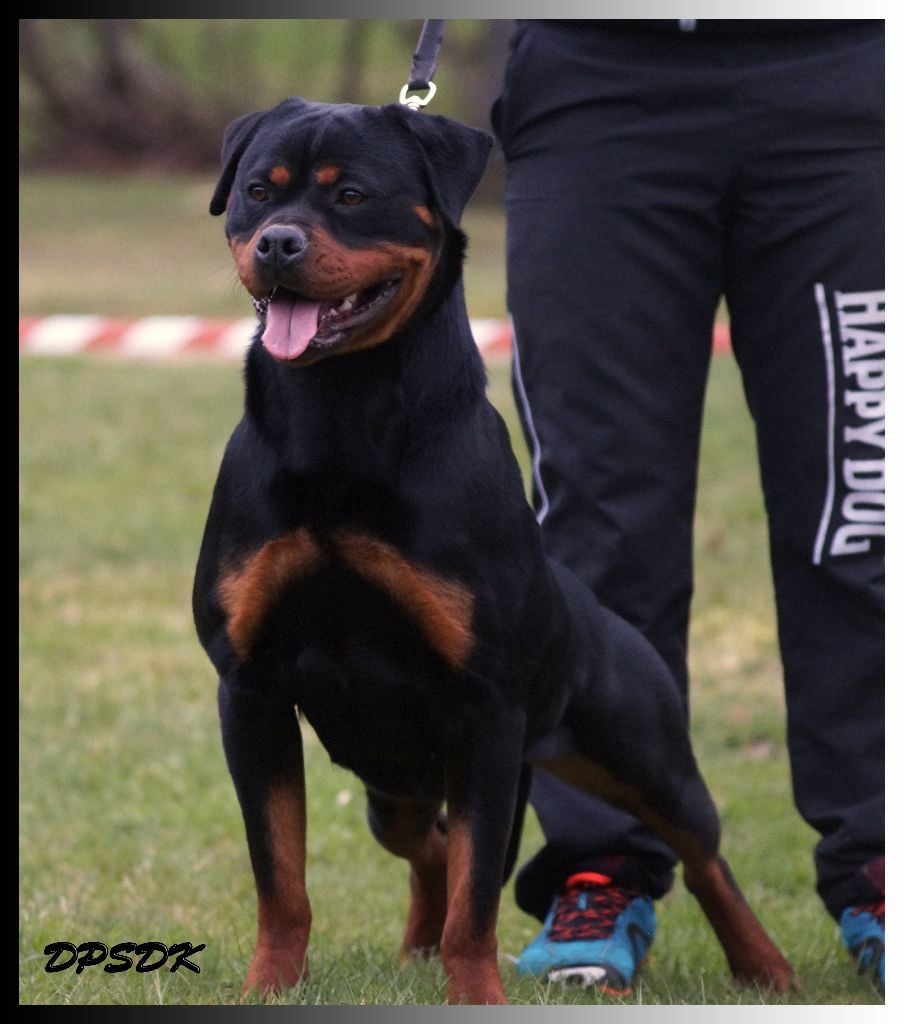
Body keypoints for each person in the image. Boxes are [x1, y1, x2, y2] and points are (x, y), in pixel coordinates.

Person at [490, 19, 884, 994]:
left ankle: (884, 862)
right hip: (595, 81)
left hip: (846, 74)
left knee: (864, 504)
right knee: (598, 525)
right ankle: (599, 868)